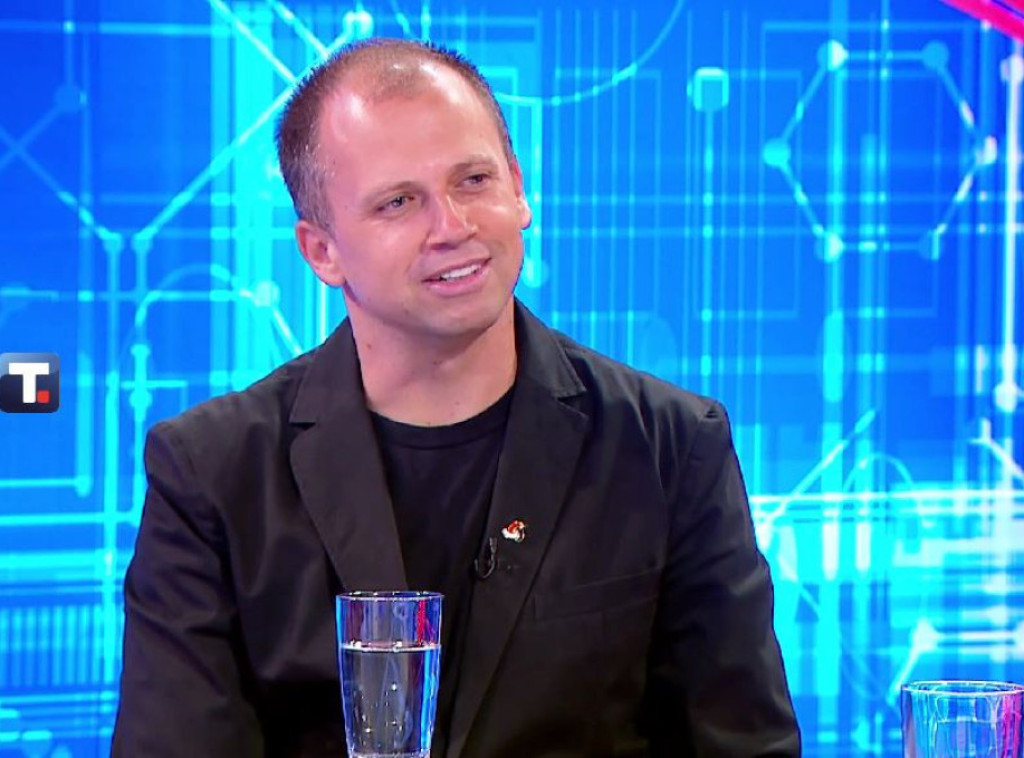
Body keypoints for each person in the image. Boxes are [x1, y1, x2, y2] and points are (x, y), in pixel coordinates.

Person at [113, 37, 800, 757]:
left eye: (473, 180)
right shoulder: (212, 474)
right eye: (399, 202)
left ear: (518, 189)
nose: (453, 227)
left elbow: (745, 744)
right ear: (322, 250)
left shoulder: (669, 446)